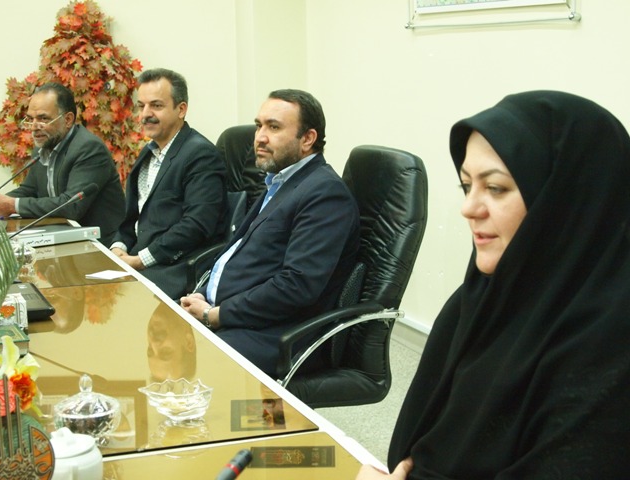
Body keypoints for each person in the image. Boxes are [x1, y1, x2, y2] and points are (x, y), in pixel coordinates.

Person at [357, 90, 630, 479]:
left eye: (496, 188)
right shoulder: (475, 302)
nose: (469, 208)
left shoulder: (610, 343)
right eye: (467, 185)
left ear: (568, 200)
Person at [180, 89, 360, 377]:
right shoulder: (281, 182)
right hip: (239, 314)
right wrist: (204, 295)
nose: (260, 137)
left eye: (273, 127)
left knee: (184, 367)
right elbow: (242, 253)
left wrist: (216, 314)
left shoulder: (325, 193)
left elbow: (296, 285)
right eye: (259, 125)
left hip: (279, 334)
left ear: (307, 139)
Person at [110, 68, 227, 299]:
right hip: (136, 260)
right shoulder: (148, 153)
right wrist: (118, 248)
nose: (145, 114)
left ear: (181, 109)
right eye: (141, 106)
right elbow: (133, 218)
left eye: (156, 105)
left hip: (173, 268)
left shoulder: (200, 155)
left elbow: (196, 225)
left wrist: (139, 260)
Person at [0, 82, 125, 246]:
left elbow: (72, 206)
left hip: (100, 243)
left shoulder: (88, 148)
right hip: (63, 237)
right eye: (30, 119)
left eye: (43, 119)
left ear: (67, 120)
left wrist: (12, 205)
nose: (34, 127)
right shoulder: (43, 146)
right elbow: (30, 190)